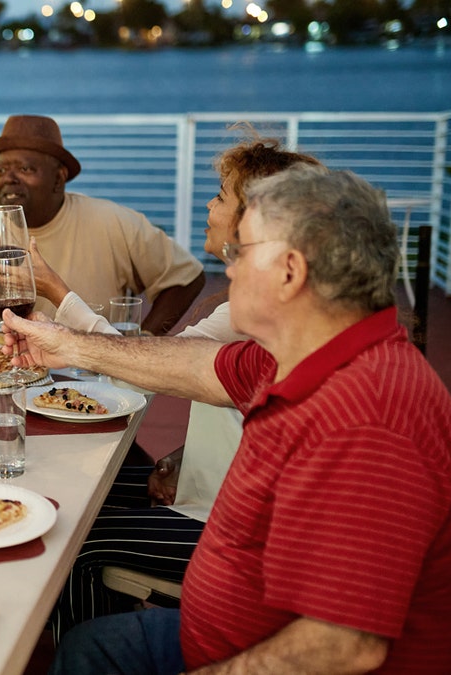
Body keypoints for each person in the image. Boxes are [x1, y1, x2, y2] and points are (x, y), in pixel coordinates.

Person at [0, 164, 451, 674]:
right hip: (219, 630)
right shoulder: (296, 357)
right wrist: (64, 343)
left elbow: (342, 646)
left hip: (248, 656)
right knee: (88, 648)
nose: (230, 269)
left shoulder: (367, 418)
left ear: (290, 271)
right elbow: (191, 365)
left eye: (242, 252)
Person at [36, 136, 322, 640]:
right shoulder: (277, 302)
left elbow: (142, 370)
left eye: (220, 196)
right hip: (235, 499)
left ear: (254, 222)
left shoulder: (254, 313)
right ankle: (126, 633)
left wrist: (55, 292)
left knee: (74, 540)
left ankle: (96, 648)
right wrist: (189, 453)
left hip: (243, 532)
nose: (209, 207)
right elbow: (259, 410)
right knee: (122, 474)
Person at [0, 114, 206, 335]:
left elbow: (186, 278)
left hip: (88, 375)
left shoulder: (112, 222)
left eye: (25, 168)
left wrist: (143, 343)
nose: (8, 179)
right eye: (1, 170)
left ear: (59, 178)